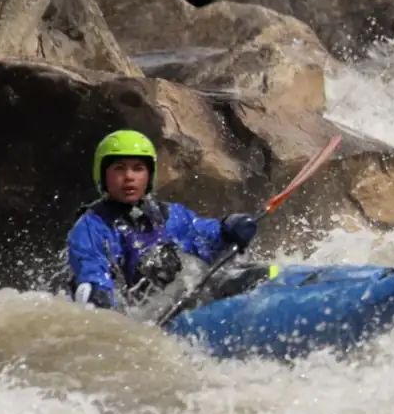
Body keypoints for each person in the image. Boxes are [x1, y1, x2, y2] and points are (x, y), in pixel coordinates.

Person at [66, 130, 262, 312]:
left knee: (251, 275)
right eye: (119, 169)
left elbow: (207, 236)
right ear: (103, 175)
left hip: (189, 299)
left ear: (149, 175)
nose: (128, 177)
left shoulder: (170, 214)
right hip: (146, 315)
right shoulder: (90, 227)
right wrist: (98, 298)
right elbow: (90, 272)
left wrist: (230, 227)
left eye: (138, 168)